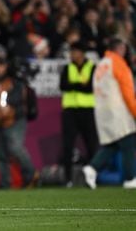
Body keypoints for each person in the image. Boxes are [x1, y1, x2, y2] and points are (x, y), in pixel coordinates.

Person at [83, 37, 136, 189]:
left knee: (113, 143)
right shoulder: (118, 64)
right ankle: (131, 178)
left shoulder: (101, 64)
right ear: (119, 49)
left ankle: (92, 168)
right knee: (128, 141)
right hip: (118, 109)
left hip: (102, 110)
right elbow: (127, 92)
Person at [0, 56, 37, 188]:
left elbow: (17, 100)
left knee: (15, 147)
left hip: (14, 120)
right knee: (0, 153)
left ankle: (31, 174)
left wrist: (7, 106)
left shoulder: (15, 82)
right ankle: (5, 184)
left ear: (5, 67)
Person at [59, 40, 99, 187]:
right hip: (70, 111)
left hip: (88, 111)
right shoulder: (67, 68)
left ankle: (92, 177)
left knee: (91, 145)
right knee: (67, 146)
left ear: (81, 53)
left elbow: (92, 87)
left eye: (74, 51)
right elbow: (63, 86)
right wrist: (79, 85)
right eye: (71, 52)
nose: (72, 54)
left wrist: (73, 85)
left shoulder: (92, 67)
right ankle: (68, 179)